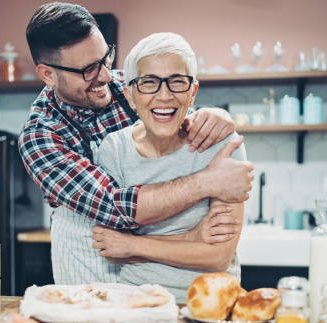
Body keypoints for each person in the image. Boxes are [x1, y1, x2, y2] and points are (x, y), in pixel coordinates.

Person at [19, 2, 253, 284]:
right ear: (48, 75)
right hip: (90, 251)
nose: (106, 75)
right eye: (89, 69)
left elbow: (178, 111)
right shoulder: (41, 136)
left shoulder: (130, 86)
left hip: (140, 255)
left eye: (106, 57)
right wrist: (207, 186)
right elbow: (116, 209)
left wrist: (214, 116)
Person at [91, 32, 245, 302]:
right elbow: (111, 247)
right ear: (130, 95)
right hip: (136, 303)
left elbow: (218, 256)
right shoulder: (113, 149)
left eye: (177, 82)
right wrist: (192, 237)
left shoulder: (223, 144)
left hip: (213, 304)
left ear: (193, 91)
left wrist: (132, 245)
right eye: (149, 83)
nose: (164, 96)